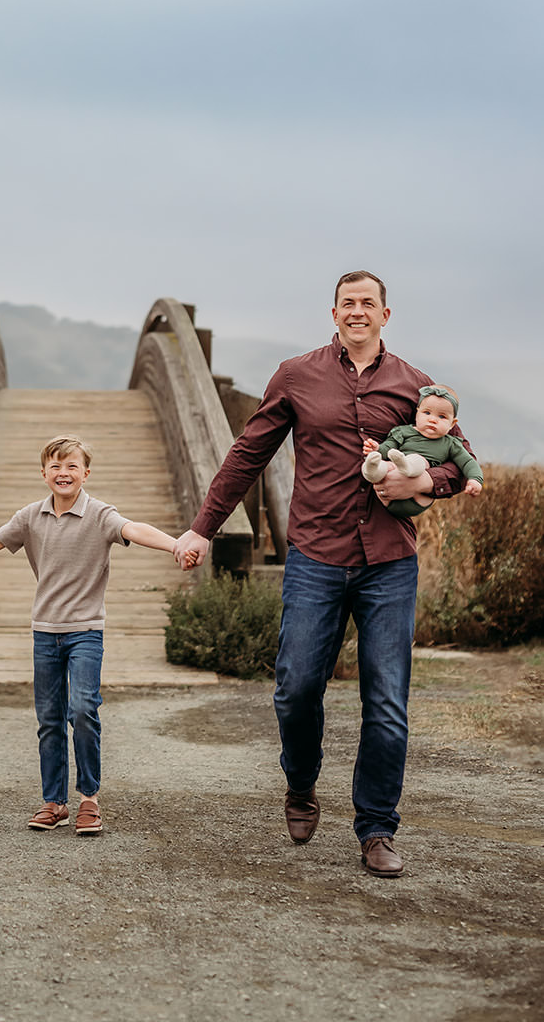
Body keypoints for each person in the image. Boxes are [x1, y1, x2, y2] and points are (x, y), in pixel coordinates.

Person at [173, 271, 479, 878]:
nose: (358, 311)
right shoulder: (297, 375)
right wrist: (202, 528)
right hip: (315, 555)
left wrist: (426, 481)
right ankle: (301, 782)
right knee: (295, 689)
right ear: (333, 313)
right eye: (348, 304)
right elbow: (247, 455)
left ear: (386, 316)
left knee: (387, 702)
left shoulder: (416, 385)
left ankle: (377, 829)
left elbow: (461, 458)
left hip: (389, 562)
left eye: (369, 304)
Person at [0, 434, 180, 836]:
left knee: (82, 710)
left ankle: (89, 800)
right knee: (49, 719)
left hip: (86, 632)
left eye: (72, 465)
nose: (64, 473)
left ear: (85, 473)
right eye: (56, 466)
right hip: (46, 633)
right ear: (44, 474)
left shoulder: (99, 514)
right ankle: (54, 802)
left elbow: (136, 529)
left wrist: (176, 545)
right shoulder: (30, 517)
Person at [362, 385, 484, 516]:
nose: (432, 419)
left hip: (418, 498)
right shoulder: (403, 432)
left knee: (419, 460)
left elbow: (468, 462)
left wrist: (475, 479)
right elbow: (388, 448)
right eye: (427, 413)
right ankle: (372, 470)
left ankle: (408, 465)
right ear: (417, 413)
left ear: (452, 424)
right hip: (386, 497)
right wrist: (377, 449)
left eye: (442, 416)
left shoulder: (451, 443)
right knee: (387, 465)